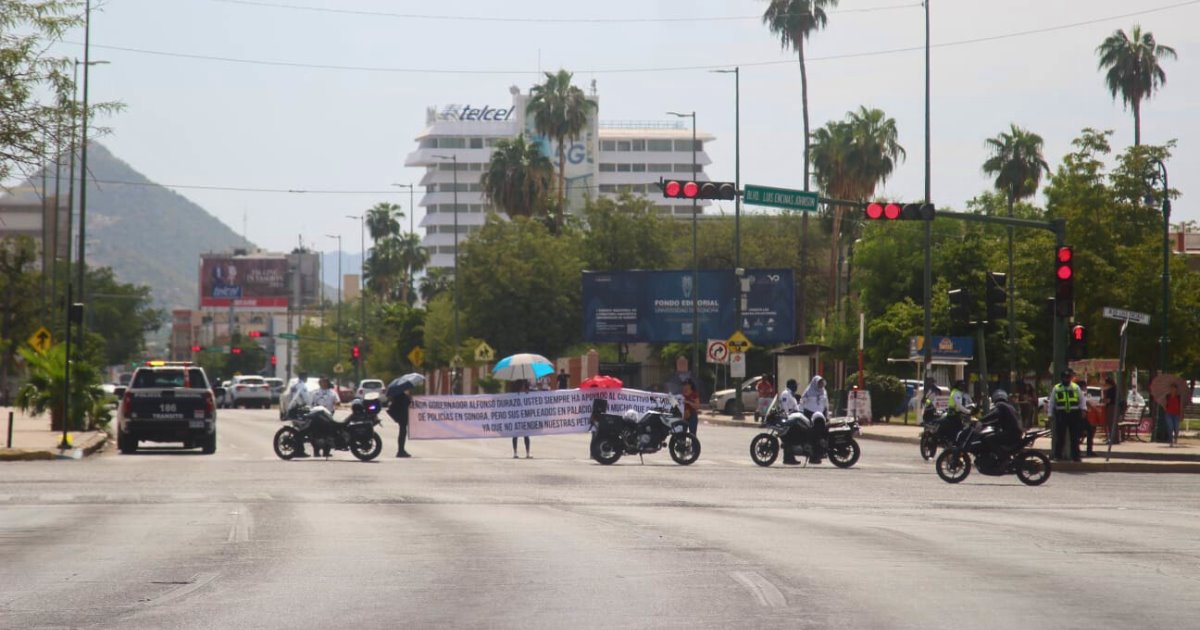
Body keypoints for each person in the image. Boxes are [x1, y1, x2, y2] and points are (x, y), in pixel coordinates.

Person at [1048, 370, 1085, 462]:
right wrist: (1050, 414)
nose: (1067, 379)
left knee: (1074, 437)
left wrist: (1083, 409)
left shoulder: (1076, 387)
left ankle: (1076, 456)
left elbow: (1082, 399)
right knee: (1060, 436)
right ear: (1062, 378)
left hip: (1074, 413)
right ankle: (1058, 455)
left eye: (1068, 377)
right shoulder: (1056, 388)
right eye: (1065, 377)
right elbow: (1051, 402)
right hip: (1061, 413)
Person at [981, 390, 1022, 454]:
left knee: (988, 438)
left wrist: (981, 420)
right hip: (1016, 432)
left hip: (1011, 434)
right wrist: (986, 423)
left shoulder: (1000, 405)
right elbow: (999, 420)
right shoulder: (1008, 406)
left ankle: (1001, 457)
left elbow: (993, 414)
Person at [285, 372, 313, 457]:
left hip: (292, 409)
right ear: (304, 377)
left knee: (298, 430)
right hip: (298, 410)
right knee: (303, 430)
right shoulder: (302, 385)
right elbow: (306, 398)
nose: (307, 378)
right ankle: (299, 451)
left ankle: (299, 450)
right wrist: (310, 406)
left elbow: (289, 397)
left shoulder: (294, 385)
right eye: (306, 377)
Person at [311, 378, 340, 457]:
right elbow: (311, 403)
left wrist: (337, 403)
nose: (324, 384)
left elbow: (337, 401)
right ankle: (316, 451)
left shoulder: (332, 393)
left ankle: (326, 451)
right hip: (317, 416)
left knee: (329, 434)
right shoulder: (315, 392)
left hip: (328, 416)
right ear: (319, 383)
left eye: (325, 382)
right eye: (322, 382)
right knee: (316, 434)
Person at [387, 381, 412, 458]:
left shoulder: (397, 395)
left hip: (401, 415)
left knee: (402, 432)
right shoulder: (401, 395)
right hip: (402, 415)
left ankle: (401, 450)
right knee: (402, 432)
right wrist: (408, 397)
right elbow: (407, 402)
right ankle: (401, 450)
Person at [511, 379, 532, 459]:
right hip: (516, 414)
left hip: (524, 414)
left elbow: (529, 395)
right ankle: (515, 453)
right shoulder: (515, 384)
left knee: (526, 434)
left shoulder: (526, 382)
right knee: (515, 434)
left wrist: (527, 391)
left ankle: (527, 453)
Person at [1077, 378, 1097, 457]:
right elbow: (1086, 402)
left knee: (1080, 433)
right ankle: (1089, 451)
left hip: (1079, 415)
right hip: (1081, 415)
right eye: (1085, 386)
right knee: (1090, 431)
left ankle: (1078, 450)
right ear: (1082, 386)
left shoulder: (1078, 392)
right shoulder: (1081, 393)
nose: (1086, 388)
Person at [1164, 383, 1183, 447]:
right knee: (1170, 427)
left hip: (1176, 414)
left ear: (1176, 389)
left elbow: (1181, 406)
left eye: (1174, 388)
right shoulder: (1167, 396)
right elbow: (1165, 404)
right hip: (1168, 414)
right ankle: (1171, 441)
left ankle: (1175, 438)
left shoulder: (1178, 397)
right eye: (1171, 388)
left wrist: (1181, 414)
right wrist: (1165, 408)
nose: (1172, 389)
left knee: (1176, 428)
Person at [1102, 376, 1119, 444]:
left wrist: (1103, 400)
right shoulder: (1116, 389)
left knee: (1111, 423)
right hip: (1115, 407)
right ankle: (1115, 439)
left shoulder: (1111, 390)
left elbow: (1108, 400)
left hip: (1111, 407)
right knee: (1113, 423)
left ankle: (1113, 439)